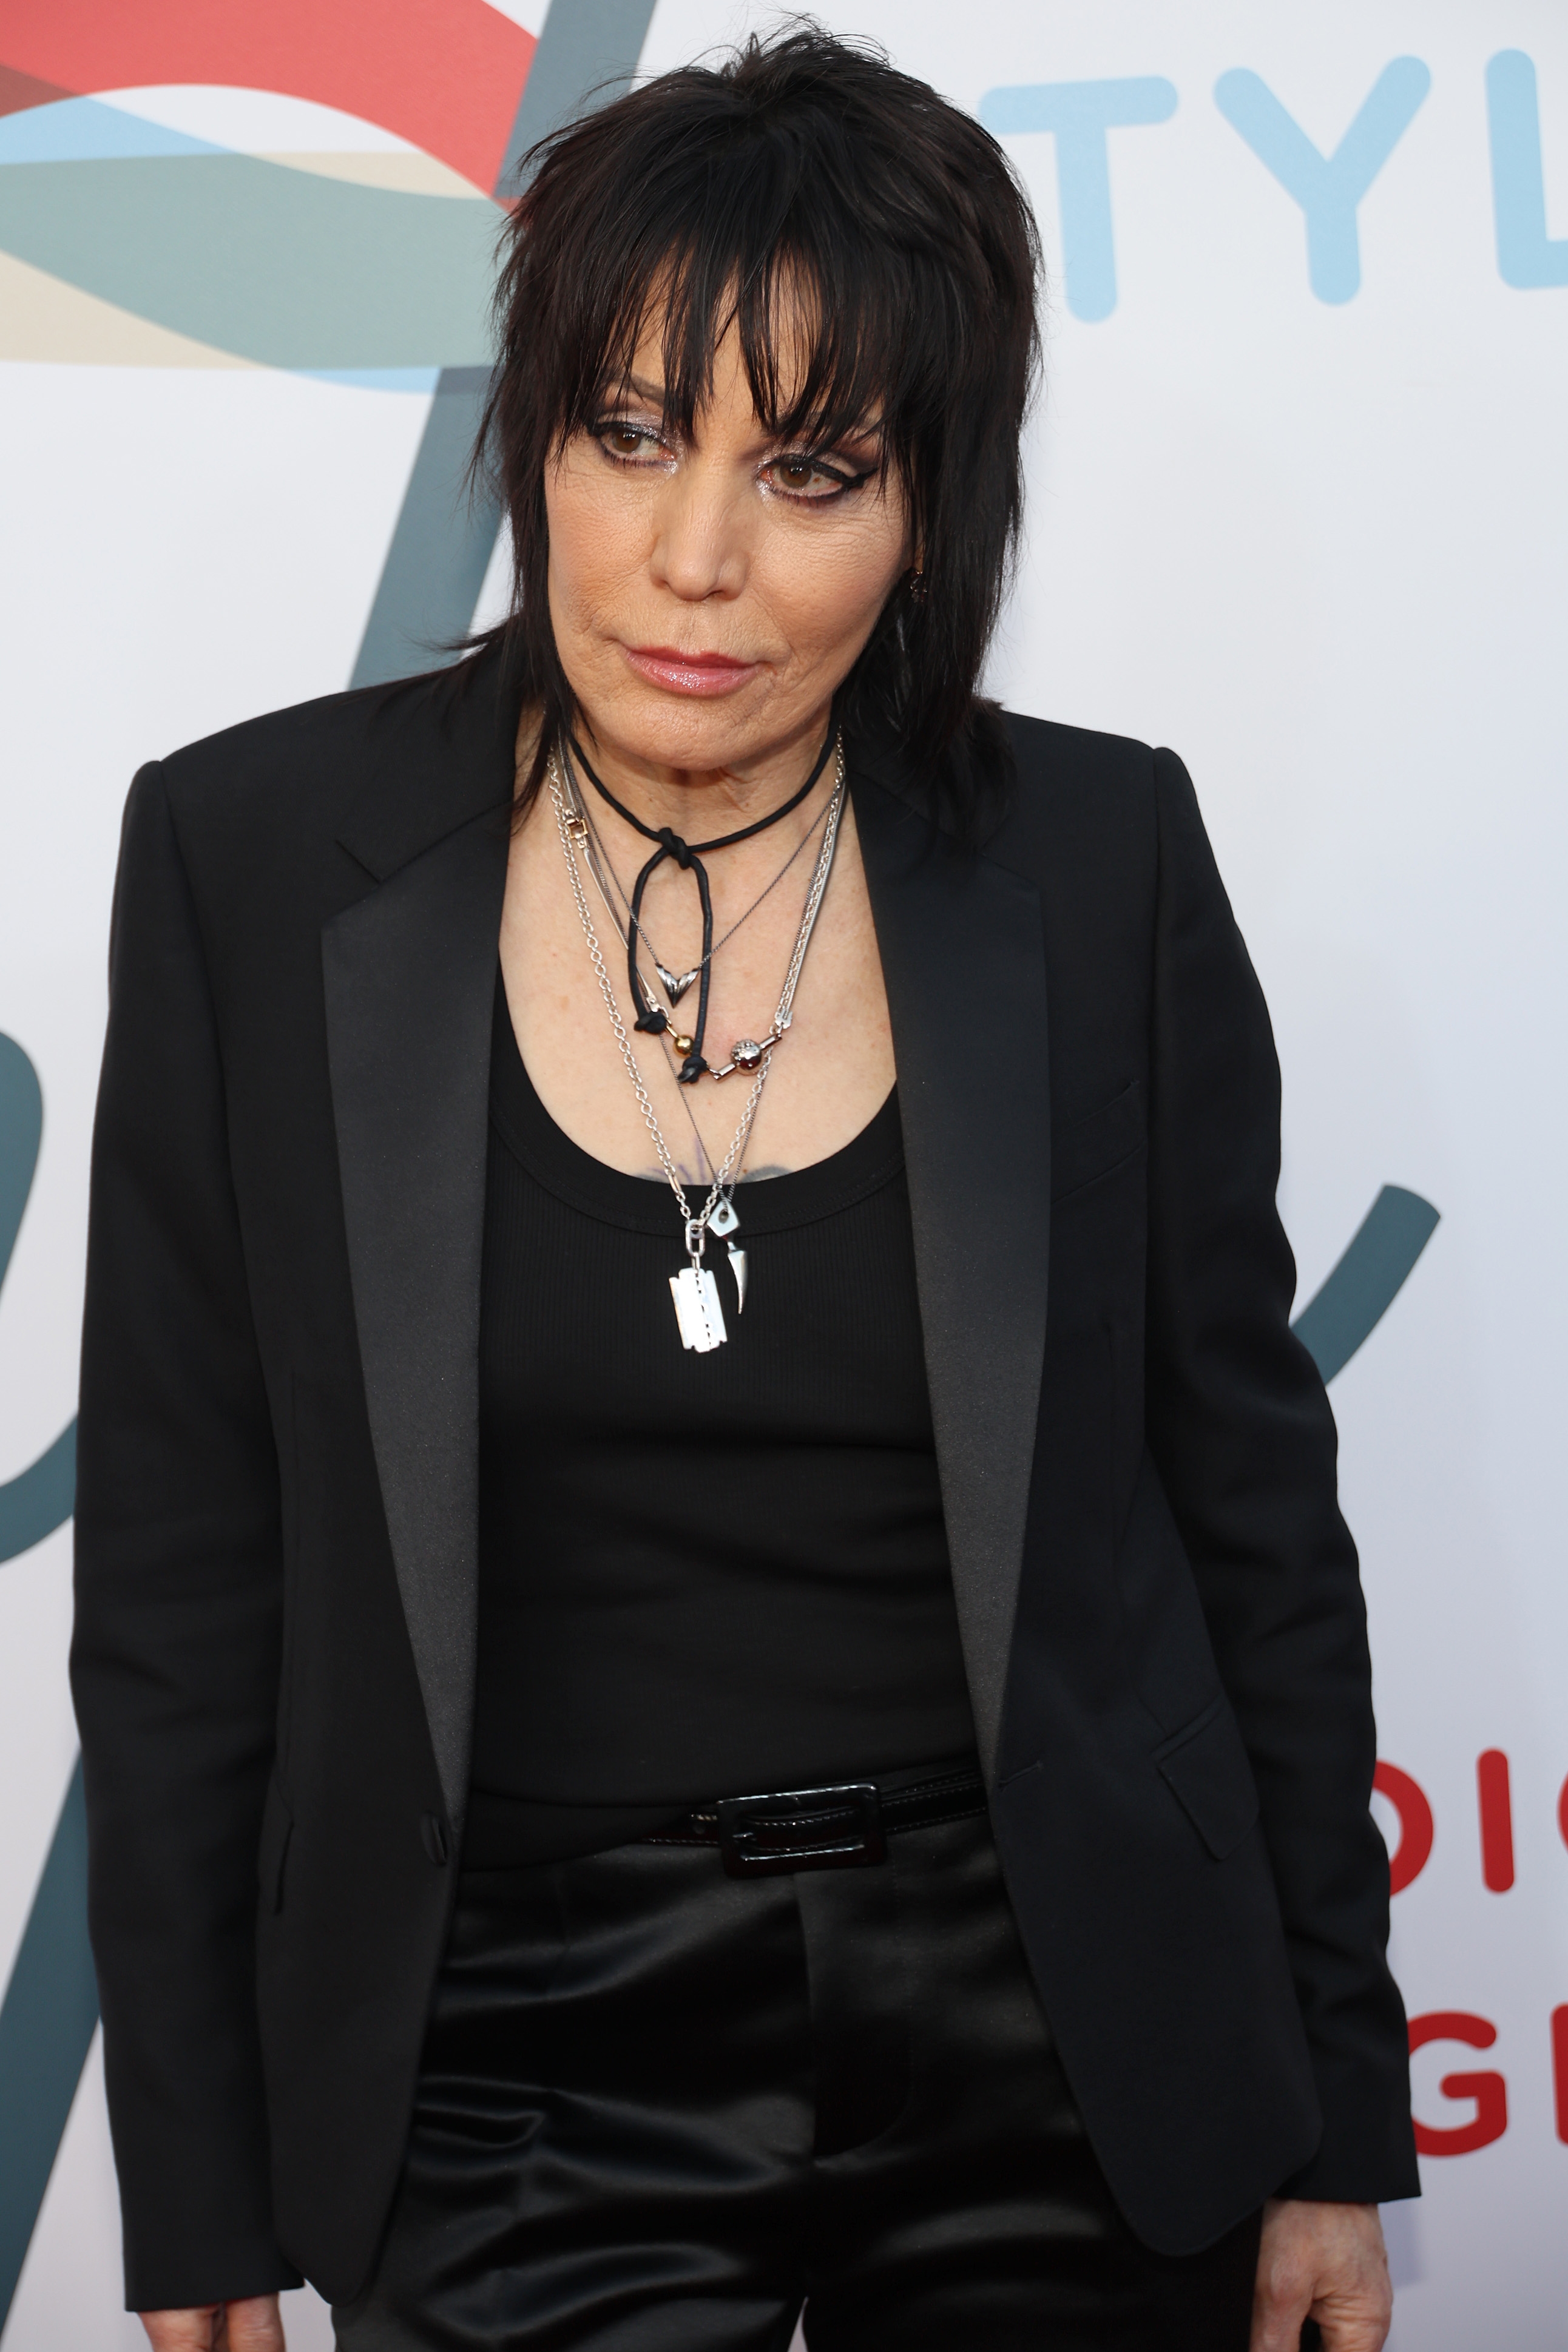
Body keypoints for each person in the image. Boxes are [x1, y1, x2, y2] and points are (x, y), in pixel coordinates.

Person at [72, 28, 1417, 2352]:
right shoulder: (251, 861)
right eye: (628, 433)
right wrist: (194, 2190)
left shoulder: (1098, 864)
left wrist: (1334, 2123)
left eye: (814, 469)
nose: (699, 561)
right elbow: (189, 1579)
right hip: (513, 2047)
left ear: (932, 511)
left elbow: (1251, 1522)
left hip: (1067, 2018)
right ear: (533, 434)